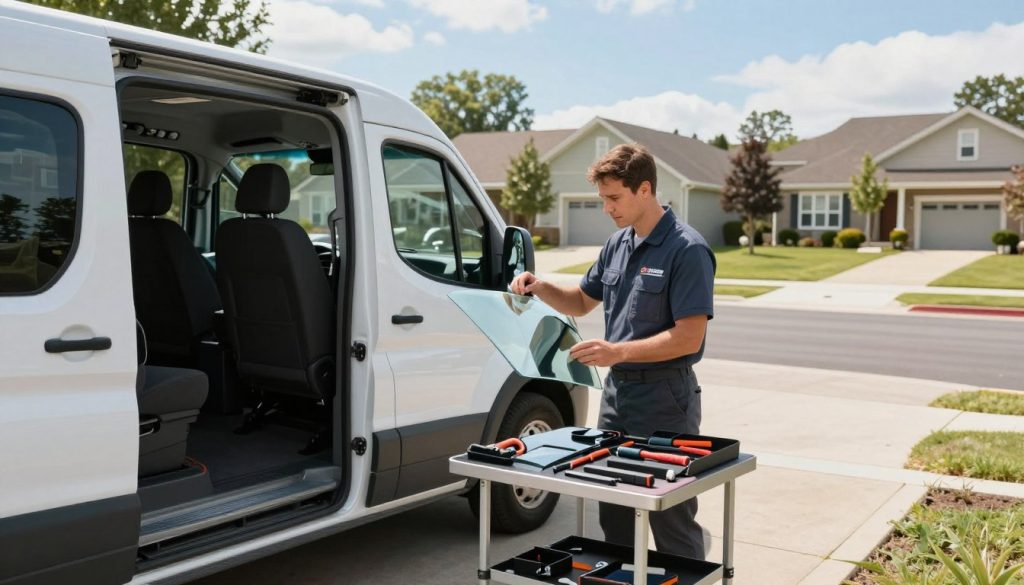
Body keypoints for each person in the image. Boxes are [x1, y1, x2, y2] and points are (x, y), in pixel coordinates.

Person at [510, 143, 716, 559]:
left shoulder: (687, 249)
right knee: (615, 511)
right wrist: (539, 286)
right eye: (603, 199)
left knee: (669, 513)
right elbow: (581, 301)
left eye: (614, 198)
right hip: (617, 397)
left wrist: (616, 352)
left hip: (665, 400)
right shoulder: (617, 245)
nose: (607, 208)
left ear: (645, 189)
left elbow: (688, 338)